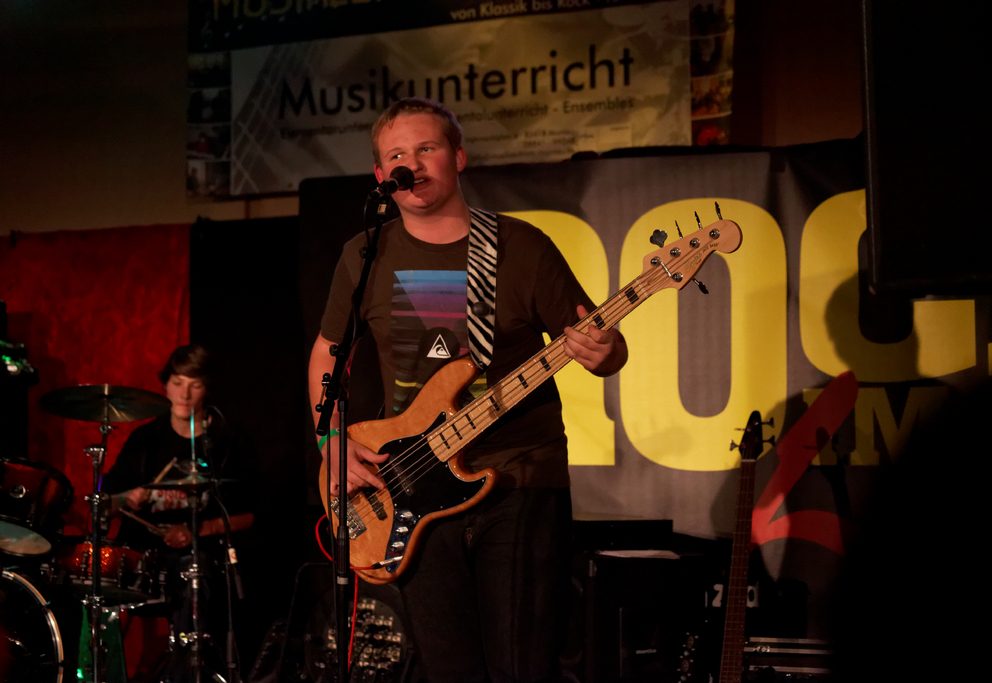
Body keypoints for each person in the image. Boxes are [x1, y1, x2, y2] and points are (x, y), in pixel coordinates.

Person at [307, 97, 628, 682]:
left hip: (518, 478)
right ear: (381, 175)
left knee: (521, 668)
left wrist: (606, 352)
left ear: (458, 157)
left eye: (426, 148)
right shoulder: (365, 254)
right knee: (448, 669)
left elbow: (601, 343)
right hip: (411, 484)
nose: (411, 164)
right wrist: (331, 440)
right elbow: (329, 349)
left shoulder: (522, 247)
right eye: (397, 155)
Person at [102, 344, 254, 682]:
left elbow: (250, 516)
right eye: (177, 382)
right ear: (165, 386)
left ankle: (186, 673)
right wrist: (126, 498)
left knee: (193, 575)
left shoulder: (226, 442)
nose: (184, 394)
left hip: (199, 560)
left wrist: (195, 532)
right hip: (143, 556)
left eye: (194, 384)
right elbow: (106, 503)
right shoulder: (146, 439)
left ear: (207, 388)